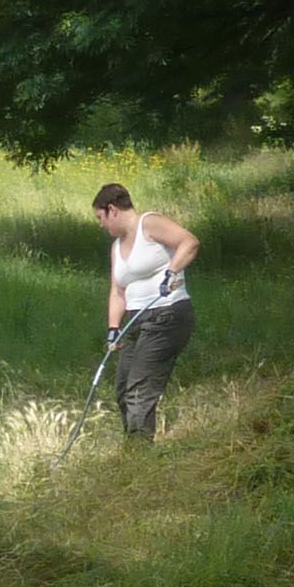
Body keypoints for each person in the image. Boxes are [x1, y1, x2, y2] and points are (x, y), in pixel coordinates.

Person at [92, 182, 201, 441]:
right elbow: (118, 291)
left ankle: (139, 451)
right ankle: (134, 446)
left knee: (139, 390)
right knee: (123, 390)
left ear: (112, 210)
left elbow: (189, 242)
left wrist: (171, 272)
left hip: (167, 316)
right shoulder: (117, 247)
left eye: (100, 218)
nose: (101, 225)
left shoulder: (149, 224)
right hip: (135, 320)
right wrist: (113, 329)